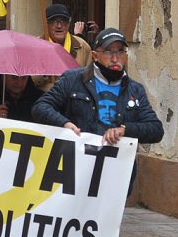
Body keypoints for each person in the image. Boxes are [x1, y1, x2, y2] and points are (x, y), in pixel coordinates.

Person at [32, 27, 164, 194]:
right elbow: (40, 107)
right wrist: (64, 123)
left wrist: (124, 130)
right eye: (109, 52)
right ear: (95, 55)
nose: (115, 58)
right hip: (75, 169)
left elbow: (156, 129)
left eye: (121, 52)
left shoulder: (135, 90)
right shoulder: (73, 80)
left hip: (116, 173)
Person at [35, 4, 94, 92]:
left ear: (69, 23)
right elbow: (31, 81)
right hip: (46, 101)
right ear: (46, 23)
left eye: (63, 21)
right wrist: (45, 69)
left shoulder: (82, 46)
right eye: (54, 21)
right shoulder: (36, 46)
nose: (59, 26)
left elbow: (90, 80)